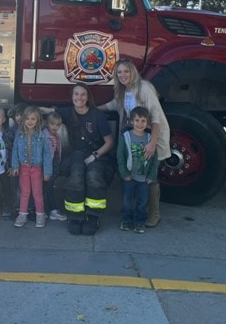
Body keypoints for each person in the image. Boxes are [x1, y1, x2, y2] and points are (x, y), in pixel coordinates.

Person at [100, 59, 170, 228]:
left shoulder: (144, 88)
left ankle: (154, 214)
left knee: (150, 177)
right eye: (119, 73)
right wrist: (93, 108)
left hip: (151, 136)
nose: (123, 75)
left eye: (126, 71)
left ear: (133, 72)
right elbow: (113, 105)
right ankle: (135, 211)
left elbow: (155, 116)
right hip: (134, 138)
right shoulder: (123, 91)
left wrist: (152, 142)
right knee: (135, 175)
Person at [42, 83, 115, 235]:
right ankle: (74, 216)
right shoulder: (68, 112)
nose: (79, 98)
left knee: (93, 176)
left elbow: (109, 142)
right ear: (72, 96)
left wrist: (94, 156)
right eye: (76, 94)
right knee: (76, 175)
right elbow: (49, 111)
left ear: (88, 97)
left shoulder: (97, 115)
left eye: (82, 94)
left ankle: (94, 217)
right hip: (77, 154)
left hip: (97, 154)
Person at [117, 106, 159, 234]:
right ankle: (126, 220)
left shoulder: (149, 138)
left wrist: (151, 175)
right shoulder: (126, 136)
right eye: (137, 120)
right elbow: (120, 155)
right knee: (127, 201)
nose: (140, 124)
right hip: (129, 176)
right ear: (131, 121)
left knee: (142, 202)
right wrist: (124, 173)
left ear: (147, 123)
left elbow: (154, 159)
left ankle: (140, 222)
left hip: (144, 178)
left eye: (143, 121)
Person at [10, 106, 52, 228]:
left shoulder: (41, 135)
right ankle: (22, 214)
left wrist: (47, 171)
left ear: (38, 120)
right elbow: (15, 150)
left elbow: (46, 153)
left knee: (37, 192)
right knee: (25, 192)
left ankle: (40, 214)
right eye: (27, 118)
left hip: (37, 168)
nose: (30, 121)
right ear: (23, 120)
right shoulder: (20, 134)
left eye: (33, 119)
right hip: (23, 168)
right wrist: (15, 166)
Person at [42, 111, 67, 222]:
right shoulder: (43, 135)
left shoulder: (56, 136)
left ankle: (47, 210)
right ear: (47, 123)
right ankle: (49, 210)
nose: (55, 127)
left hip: (54, 165)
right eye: (52, 124)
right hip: (45, 167)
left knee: (49, 188)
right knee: (45, 189)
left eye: (57, 125)